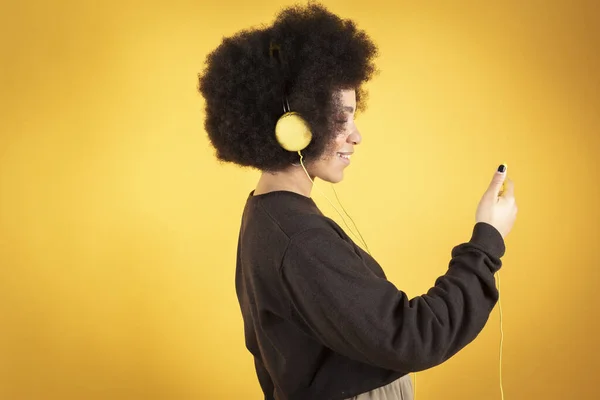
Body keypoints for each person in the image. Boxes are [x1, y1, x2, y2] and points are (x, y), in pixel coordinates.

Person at [197, 3, 518, 400]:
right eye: (341, 118)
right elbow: (414, 337)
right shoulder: (299, 239)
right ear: (294, 128)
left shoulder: (266, 212)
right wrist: (487, 240)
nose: (356, 135)